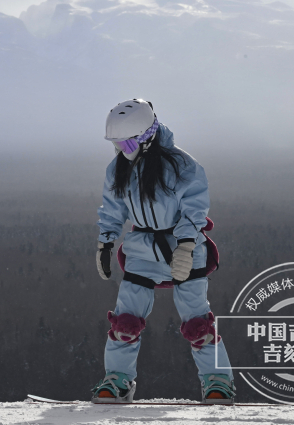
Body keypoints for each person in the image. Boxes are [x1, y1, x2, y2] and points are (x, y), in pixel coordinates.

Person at [91, 99, 234, 404]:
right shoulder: (119, 169)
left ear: (147, 136)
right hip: (142, 249)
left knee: (198, 321)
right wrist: (106, 241)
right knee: (125, 320)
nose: (122, 150)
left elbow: (194, 209)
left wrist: (185, 244)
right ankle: (118, 379)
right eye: (117, 143)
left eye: (127, 143)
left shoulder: (182, 166)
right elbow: (113, 208)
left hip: (183, 247)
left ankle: (218, 381)